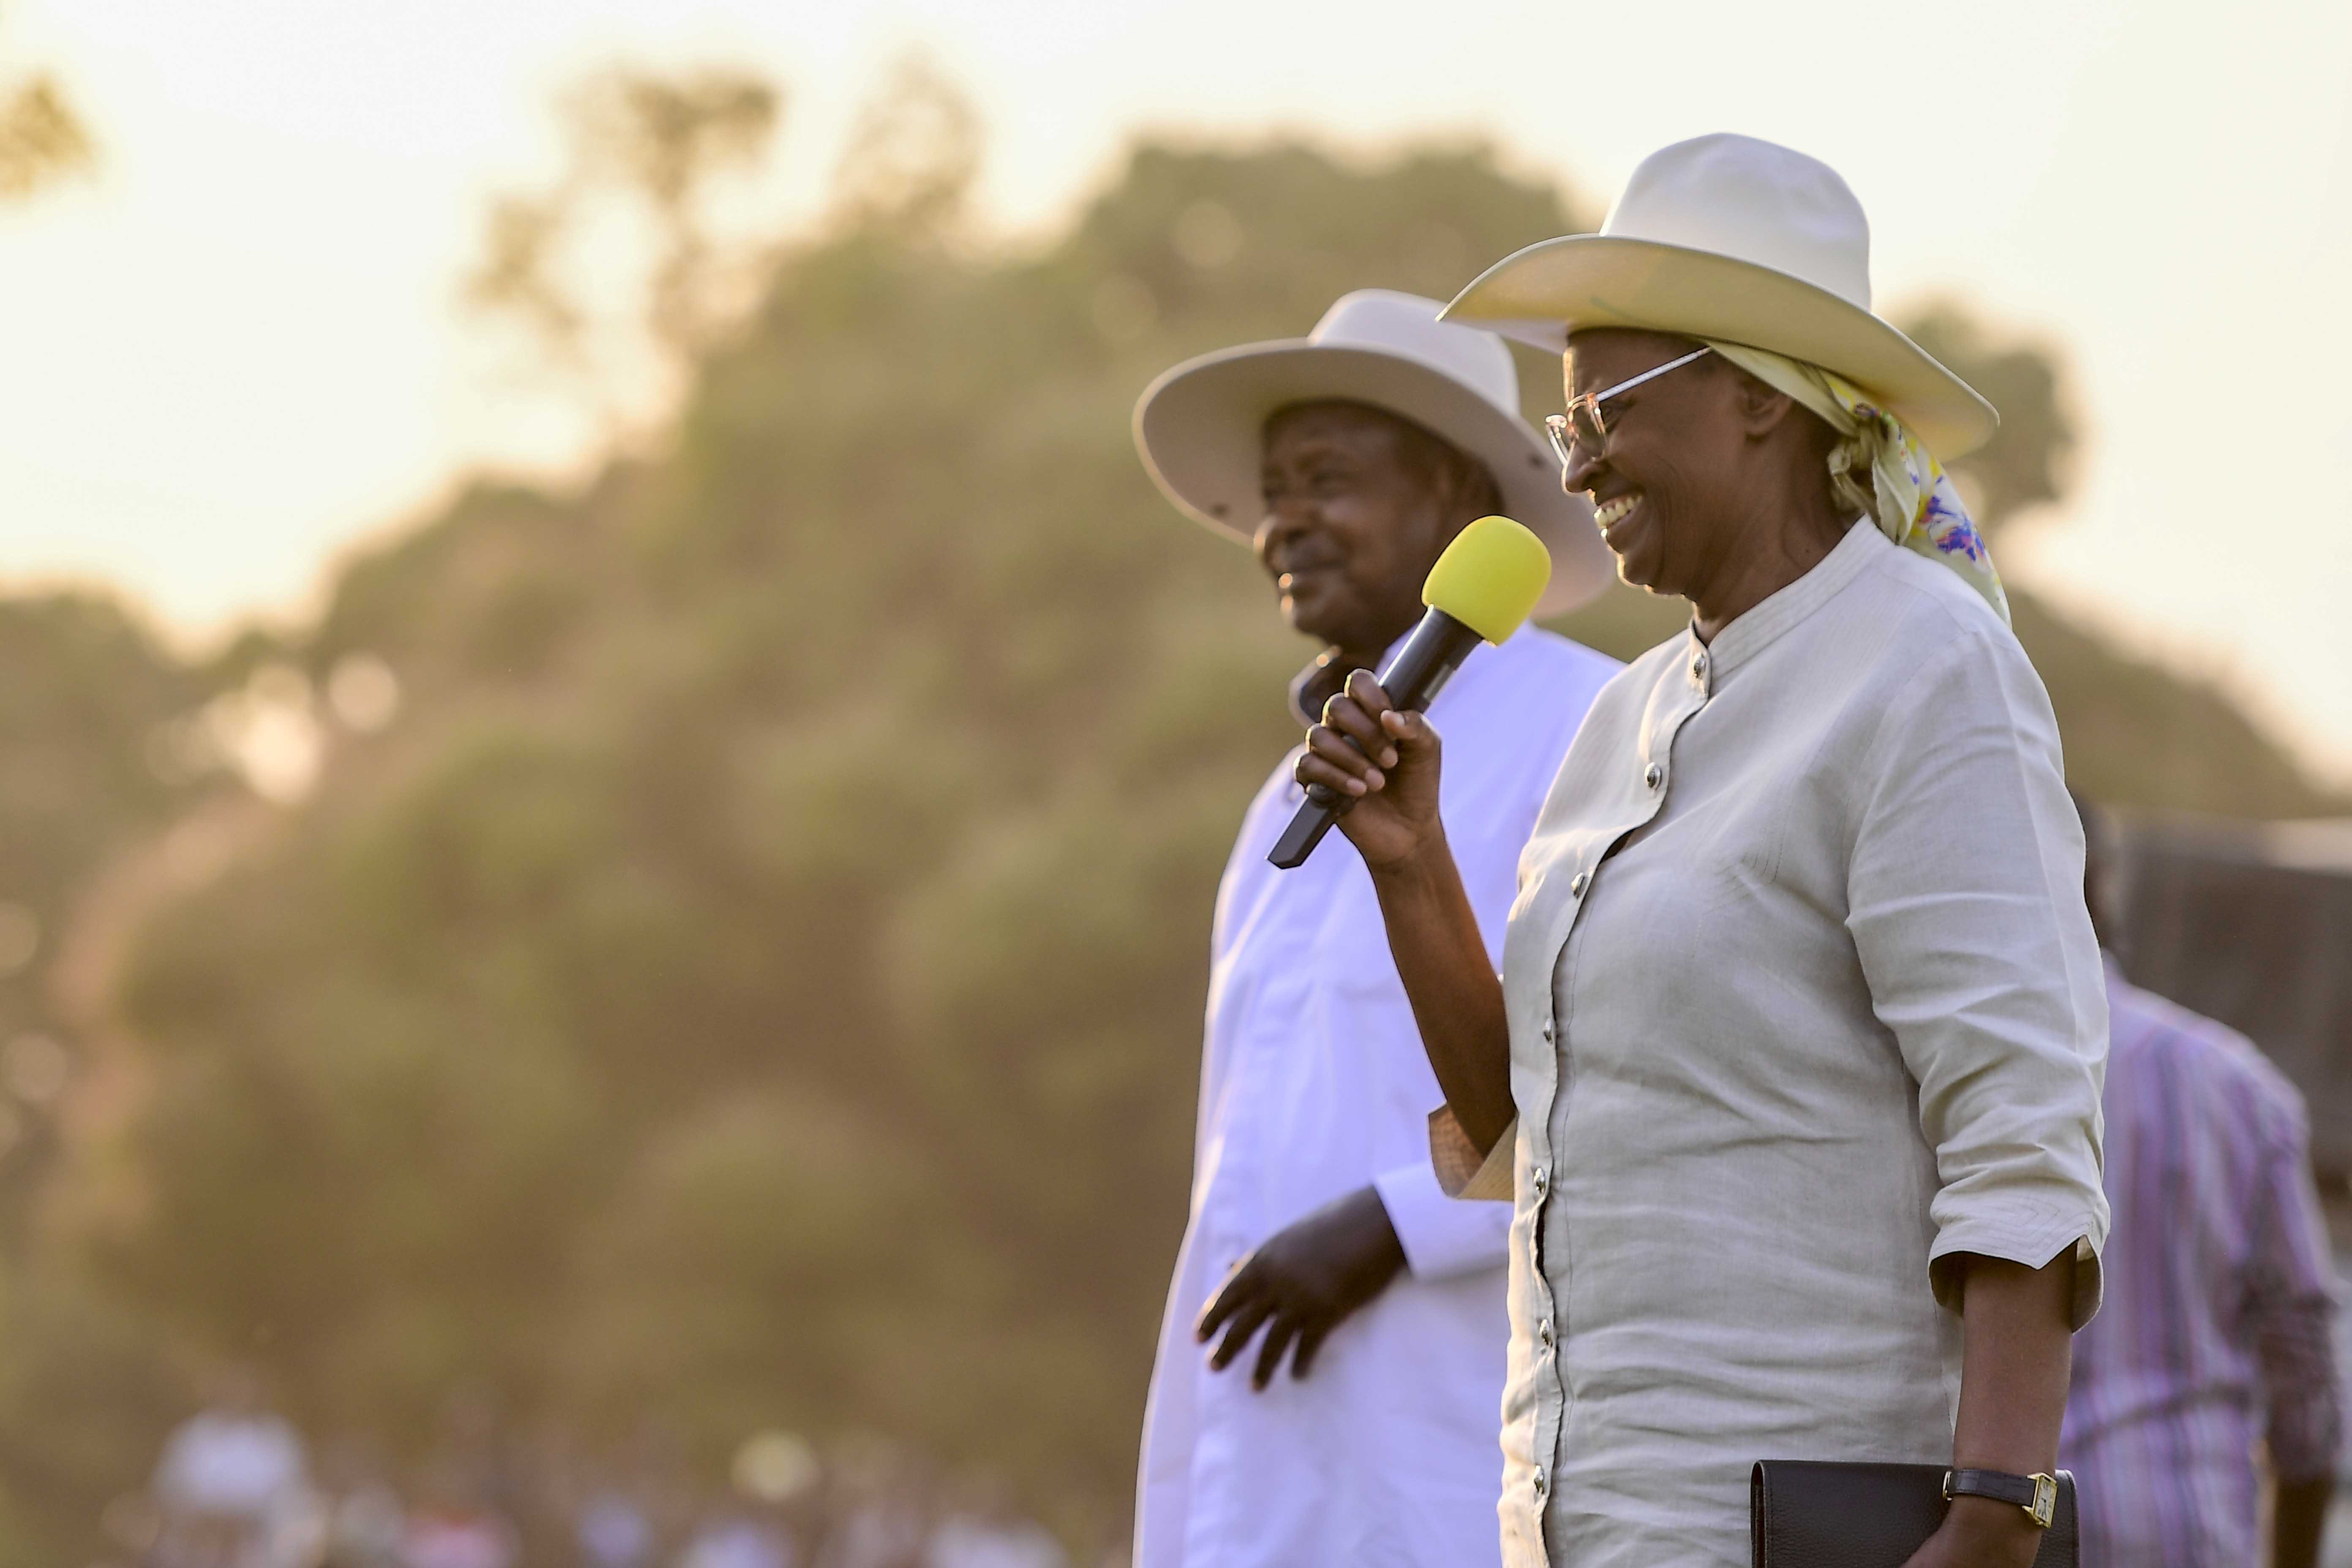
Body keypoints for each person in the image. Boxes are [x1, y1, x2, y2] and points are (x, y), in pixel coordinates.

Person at [1297, 135, 2111, 1566]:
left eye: (1600, 403)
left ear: (1752, 396)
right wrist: (1410, 866)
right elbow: (1535, 1128)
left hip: (1805, 1521)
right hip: (1575, 1523)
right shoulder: (1625, 715)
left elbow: (2018, 1128)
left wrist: (1991, 1516)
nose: (1575, 455)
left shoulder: (1923, 669)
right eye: (1564, 424)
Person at [1127, 288, 1620, 1568]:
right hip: (1269, 1467)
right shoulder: (1278, 802)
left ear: (1457, 497)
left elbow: (1634, 1081)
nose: (1283, 518)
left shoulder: (1598, 732)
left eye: (1326, 479)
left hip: (1453, 1454)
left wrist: (1395, 1220)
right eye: (1272, 488)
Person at [2062, 795, 2344, 1567]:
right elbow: (2306, 1379)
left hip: (1997, 1535)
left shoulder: (1922, 1079)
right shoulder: (2238, 1087)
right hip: (2190, 1533)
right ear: (2105, 889)